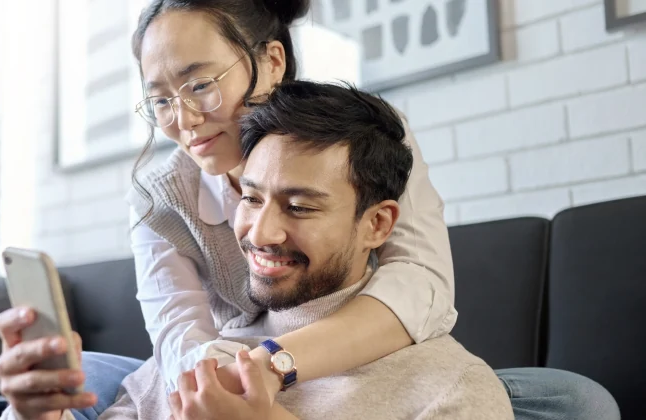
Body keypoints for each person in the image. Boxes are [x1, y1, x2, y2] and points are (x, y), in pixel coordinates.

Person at [0, 1, 618, 419]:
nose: (184, 117)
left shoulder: (364, 139)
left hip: (320, 358)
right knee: (88, 379)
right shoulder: (161, 191)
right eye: (159, 99)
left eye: (201, 83)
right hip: (211, 359)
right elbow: (178, 330)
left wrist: (269, 372)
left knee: (571, 401)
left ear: (268, 60)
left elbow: (419, 287)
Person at [93, 79, 514, 419]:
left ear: (377, 224)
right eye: (251, 199)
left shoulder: (448, 390)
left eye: (299, 207)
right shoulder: (194, 368)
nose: (261, 233)